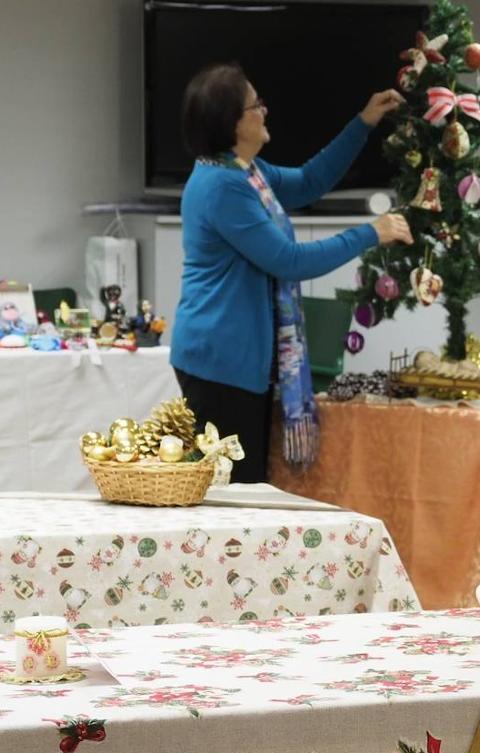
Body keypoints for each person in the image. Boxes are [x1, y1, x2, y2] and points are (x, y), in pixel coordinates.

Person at [170, 63, 412, 482]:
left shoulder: (245, 172)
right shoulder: (222, 186)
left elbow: (308, 181)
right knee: (234, 496)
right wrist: (370, 232)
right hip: (220, 362)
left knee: (246, 490)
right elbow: (290, 261)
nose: (264, 111)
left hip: (232, 360)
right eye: (255, 105)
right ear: (232, 122)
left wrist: (363, 122)